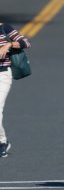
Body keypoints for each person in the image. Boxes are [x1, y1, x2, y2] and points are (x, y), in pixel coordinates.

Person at [0, 23, 31, 157]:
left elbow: (25, 43)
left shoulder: (4, 28)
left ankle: (2, 142)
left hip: (3, 75)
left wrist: (9, 45)